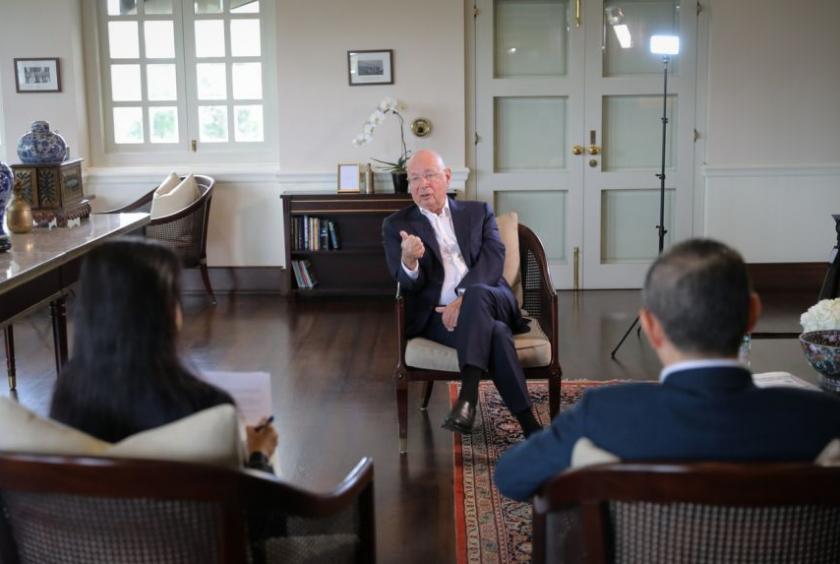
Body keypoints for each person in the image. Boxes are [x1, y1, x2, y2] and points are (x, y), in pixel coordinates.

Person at [495, 238, 840, 501]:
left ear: (650, 325)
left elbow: (512, 477)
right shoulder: (823, 418)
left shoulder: (604, 415)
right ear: (752, 314)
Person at [49, 238, 277, 471]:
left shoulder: (68, 391)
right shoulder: (209, 408)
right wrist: (259, 454)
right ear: (165, 313)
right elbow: (252, 504)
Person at [382, 149, 541, 437]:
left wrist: (464, 298)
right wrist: (409, 260)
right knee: (496, 334)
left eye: (429, 175)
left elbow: (494, 259)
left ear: (446, 177)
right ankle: (530, 426)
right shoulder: (397, 225)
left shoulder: (478, 212)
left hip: (492, 298)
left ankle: (467, 397)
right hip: (437, 316)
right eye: (414, 179)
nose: (422, 184)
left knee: (477, 294)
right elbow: (407, 284)